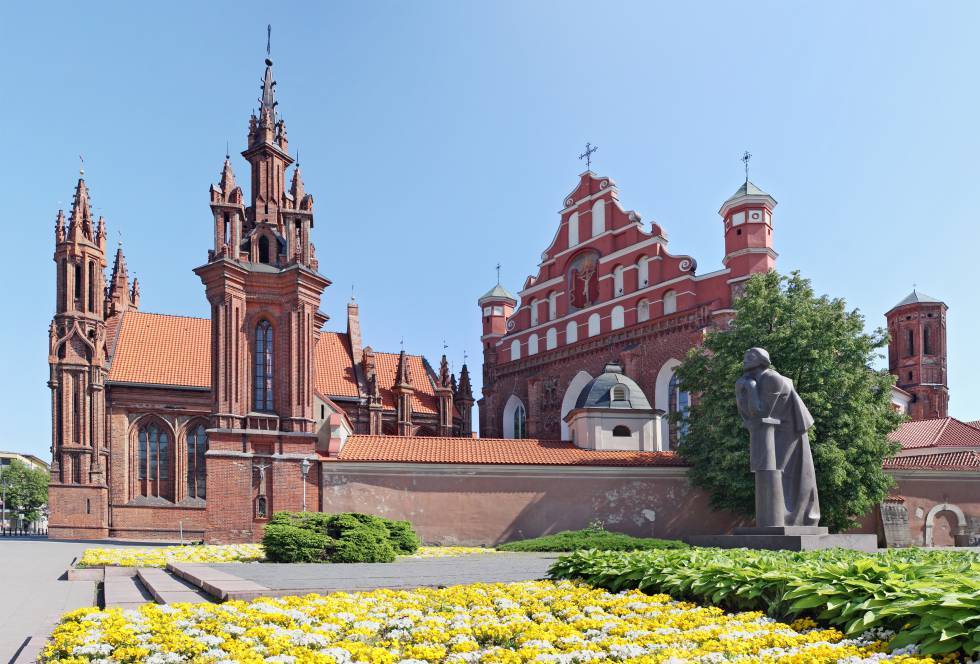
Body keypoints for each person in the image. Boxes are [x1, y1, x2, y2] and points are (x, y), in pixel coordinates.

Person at [735, 347, 821, 526]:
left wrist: (749, 387)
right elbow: (748, 415)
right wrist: (741, 389)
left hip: (788, 430)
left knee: (786, 473)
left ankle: (793, 518)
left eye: (750, 356)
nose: (744, 360)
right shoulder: (754, 379)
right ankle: (780, 519)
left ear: (761, 360)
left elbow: (761, 411)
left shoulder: (771, 378)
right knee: (777, 473)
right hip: (770, 430)